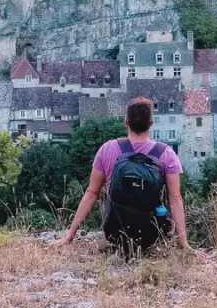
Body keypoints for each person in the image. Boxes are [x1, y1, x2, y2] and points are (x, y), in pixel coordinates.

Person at [54, 97, 192, 256]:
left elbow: (91, 193)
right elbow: (175, 199)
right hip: (152, 234)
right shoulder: (166, 154)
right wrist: (184, 243)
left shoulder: (107, 149)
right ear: (151, 123)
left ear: (126, 122)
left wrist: (70, 235)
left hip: (115, 231)